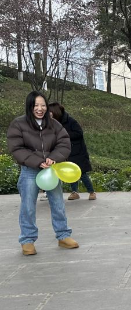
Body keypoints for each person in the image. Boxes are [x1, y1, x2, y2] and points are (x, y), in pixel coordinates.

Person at [7, 91, 78, 255]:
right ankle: (27, 240)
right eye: (36, 105)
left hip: (51, 170)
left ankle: (63, 236)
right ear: (30, 106)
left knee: (58, 203)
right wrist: (36, 161)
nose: (40, 109)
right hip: (30, 170)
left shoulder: (54, 124)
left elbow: (64, 143)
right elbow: (16, 148)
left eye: (43, 105)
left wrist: (53, 158)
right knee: (28, 206)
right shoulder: (18, 124)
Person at [47, 103, 96, 201]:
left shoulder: (70, 121)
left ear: (55, 112)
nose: (49, 114)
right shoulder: (53, 123)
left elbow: (79, 133)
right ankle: (74, 192)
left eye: (50, 112)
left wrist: (64, 135)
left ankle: (91, 192)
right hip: (66, 151)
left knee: (81, 173)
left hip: (77, 151)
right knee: (70, 172)